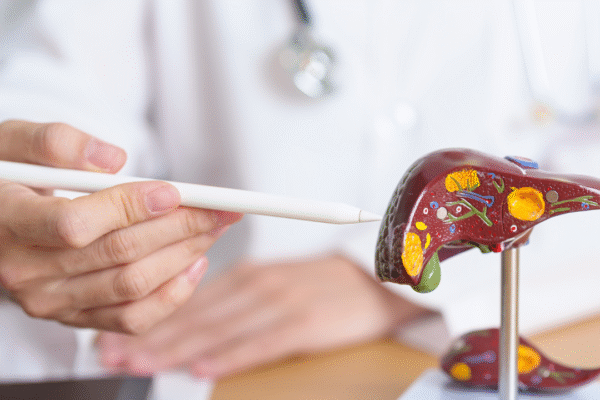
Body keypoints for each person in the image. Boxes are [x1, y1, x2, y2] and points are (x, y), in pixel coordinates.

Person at [1, 0, 600, 391]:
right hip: (225, 353)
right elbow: (59, 86)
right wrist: (42, 200)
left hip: (553, 315)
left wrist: (375, 281)